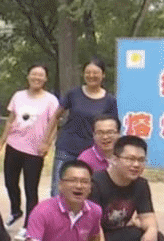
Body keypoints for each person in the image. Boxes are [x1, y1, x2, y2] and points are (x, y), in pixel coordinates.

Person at [0, 64, 59, 240]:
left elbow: (54, 124)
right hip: (14, 145)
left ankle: (29, 224)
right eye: (33, 74)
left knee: (31, 188)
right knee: (10, 182)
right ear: (28, 76)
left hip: (34, 150)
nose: (37, 78)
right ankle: (15, 210)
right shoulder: (18, 96)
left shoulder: (51, 100)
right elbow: (10, 120)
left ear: (45, 79)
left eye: (41, 75)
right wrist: (1, 142)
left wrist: (47, 144)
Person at [44, 59, 118, 197]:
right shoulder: (73, 94)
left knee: (88, 190)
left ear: (103, 75)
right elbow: (55, 116)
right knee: (58, 189)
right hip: (67, 148)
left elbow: (113, 127)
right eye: (88, 72)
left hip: (92, 153)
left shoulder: (109, 100)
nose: (91, 76)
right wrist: (46, 142)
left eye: (95, 73)